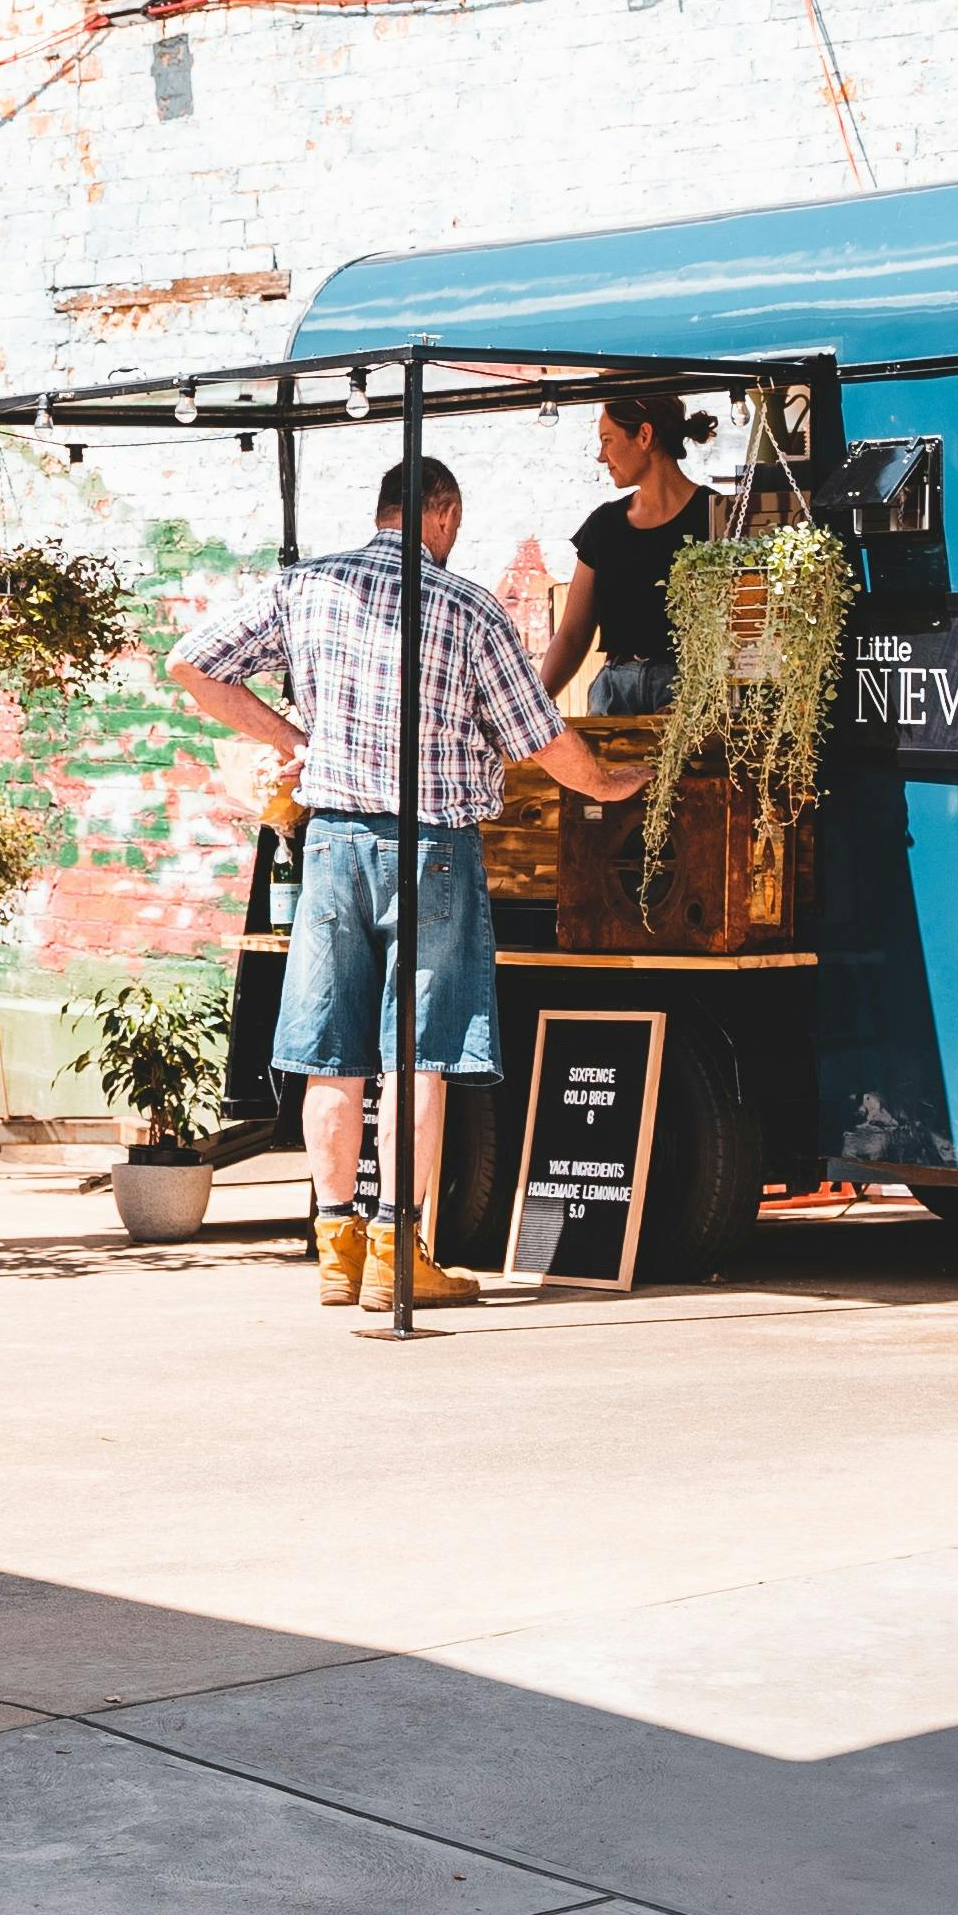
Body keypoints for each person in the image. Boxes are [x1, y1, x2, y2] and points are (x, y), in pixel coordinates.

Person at [169, 457, 647, 1313]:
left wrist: (296, 738)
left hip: (332, 843)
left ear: (381, 509)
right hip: (431, 850)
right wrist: (612, 784)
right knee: (418, 1057)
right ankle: (399, 1246)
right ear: (443, 513)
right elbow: (539, 737)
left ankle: (336, 1248)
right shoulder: (467, 607)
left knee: (330, 1057)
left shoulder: (305, 586)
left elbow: (191, 663)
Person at [534, 393, 721, 714]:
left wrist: (703, 701)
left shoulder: (717, 517)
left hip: (690, 694)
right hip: (612, 696)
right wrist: (530, 710)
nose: (600, 456)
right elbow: (572, 636)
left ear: (645, 436)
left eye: (607, 440)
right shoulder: (602, 525)